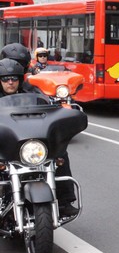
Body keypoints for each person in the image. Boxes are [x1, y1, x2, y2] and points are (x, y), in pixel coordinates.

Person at [0, 55, 78, 216]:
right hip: (4, 144)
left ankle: (64, 201)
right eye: (5, 79)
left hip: (28, 142)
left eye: (14, 78)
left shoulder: (31, 91)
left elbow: (49, 109)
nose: (10, 82)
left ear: (20, 79)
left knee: (60, 156)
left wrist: (61, 113)